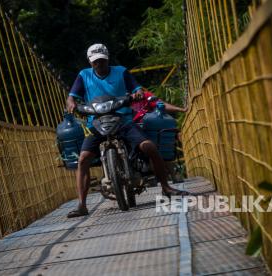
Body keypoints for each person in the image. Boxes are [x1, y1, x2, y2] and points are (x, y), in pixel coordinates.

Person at [65, 43, 189, 218]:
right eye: (95, 62)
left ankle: (166, 187)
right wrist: (71, 103)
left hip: (123, 119)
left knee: (149, 147)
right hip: (96, 122)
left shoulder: (121, 71)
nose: (99, 65)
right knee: (83, 158)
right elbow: (72, 96)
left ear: (107, 59)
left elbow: (136, 88)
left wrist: (137, 92)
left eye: (101, 61)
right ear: (90, 62)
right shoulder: (83, 76)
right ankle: (82, 205)